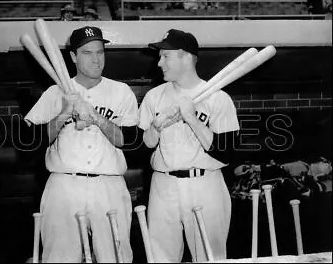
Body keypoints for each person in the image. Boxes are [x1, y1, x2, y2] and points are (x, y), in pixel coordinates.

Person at [24, 26, 140, 262]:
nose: (96, 59)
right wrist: (65, 113)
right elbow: (29, 141)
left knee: (116, 256)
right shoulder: (55, 93)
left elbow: (131, 141)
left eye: (100, 52)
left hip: (108, 185)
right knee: (59, 257)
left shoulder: (121, 91)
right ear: (74, 57)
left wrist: (96, 117)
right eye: (87, 53)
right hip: (64, 185)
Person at [138, 29, 240, 262]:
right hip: (163, 184)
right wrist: (155, 128)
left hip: (205, 185)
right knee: (160, 257)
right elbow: (141, 148)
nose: (159, 63)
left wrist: (192, 118)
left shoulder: (218, 98)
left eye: (166, 56)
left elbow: (227, 153)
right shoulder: (154, 97)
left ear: (186, 57)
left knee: (210, 256)